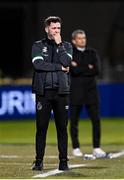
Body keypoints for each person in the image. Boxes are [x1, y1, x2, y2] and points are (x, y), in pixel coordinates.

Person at [31, 16, 72, 171]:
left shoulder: (66, 46)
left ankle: (63, 162)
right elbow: (38, 64)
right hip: (44, 93)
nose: (56, 31)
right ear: (47, 29)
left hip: (62, 92)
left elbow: (67, 62)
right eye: (54, 28)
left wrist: (59, 43)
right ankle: (39, 160)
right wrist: (59, 67)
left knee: (62, 128)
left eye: (59, 28)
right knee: (41, 128)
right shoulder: (37, 45)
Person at [70, 29, 106, 158]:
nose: (82, 40)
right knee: (74, 122)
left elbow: (97, 70)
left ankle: (96, 147)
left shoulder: (92, 52)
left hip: (91, 92)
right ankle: (76, 147)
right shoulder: (70, 53)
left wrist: (79, 67)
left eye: (84, 37)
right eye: (79, 38)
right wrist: (87, 67)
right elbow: (72, 71)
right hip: (76, 92)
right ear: (74, 41)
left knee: (96, 120)